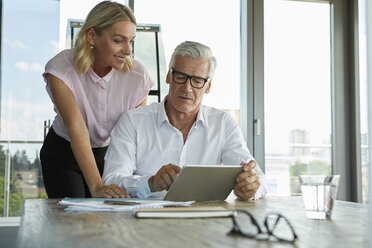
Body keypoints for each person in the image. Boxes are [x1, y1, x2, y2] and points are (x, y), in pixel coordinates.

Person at [102, 41, 266, 200]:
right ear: (168, 77)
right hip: (145, 221)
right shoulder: (132, 121)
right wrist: (151, 183)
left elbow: (258, 178)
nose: (187, 88)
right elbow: (111, 180)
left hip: (205, 221)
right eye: (181, 76)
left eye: (197, 81)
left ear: (208, 86)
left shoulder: (223, 124)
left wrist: (251, 187)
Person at [40, 1, 154, 198]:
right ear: (92, 36)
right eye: (119, 40)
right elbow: (77, 127)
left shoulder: (137, 76)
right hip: (64, 153)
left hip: (108, 155)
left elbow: (135, 133)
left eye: (131, 41)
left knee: (110, 219)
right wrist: (97, 186)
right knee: (76, 221)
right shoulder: (61, 68)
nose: (128, 51)